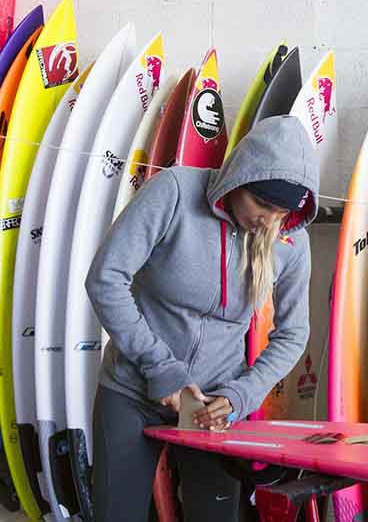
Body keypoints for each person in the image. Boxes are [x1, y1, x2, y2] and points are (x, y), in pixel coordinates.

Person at [86, 115, 319, 522]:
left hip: (214, 406)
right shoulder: (175, 191)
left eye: (281, 212)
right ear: (236, 179)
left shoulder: (291, 239)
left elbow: (294, 333)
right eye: (262, 204)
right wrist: (161, 367)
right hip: (132, 391)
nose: (269, 220)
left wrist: (241, 396)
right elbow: (105, 279)